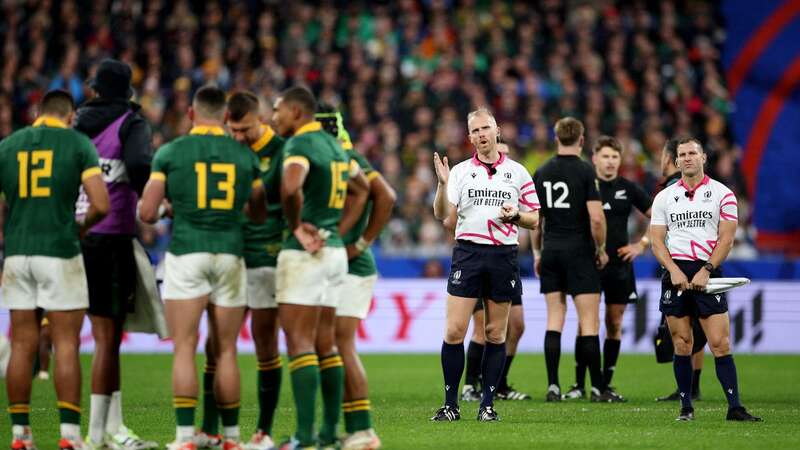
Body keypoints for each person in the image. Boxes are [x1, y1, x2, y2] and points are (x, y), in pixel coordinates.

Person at [139, 85, 267, 450]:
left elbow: (147, 212)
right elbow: (258, 212)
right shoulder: (243, 155)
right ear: (226, 117)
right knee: (225, 350)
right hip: (230, 254)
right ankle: (230, 437)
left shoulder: (171, 152)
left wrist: (171, 208)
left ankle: (184, 438)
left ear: (192, 114)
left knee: (185, 347)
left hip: (188, 252)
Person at [1, 90, 110, 450]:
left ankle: (20, 436)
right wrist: (79, 228)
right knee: (65, 343)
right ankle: (69, 437)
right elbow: (100, 204)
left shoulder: (8, 145)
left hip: (18, 253)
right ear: (71, 116)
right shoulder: (78, 144)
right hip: (60, 251)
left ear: (37, 112)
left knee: (21, 344)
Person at [430, 107, 540, 422]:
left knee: (495, 332)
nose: (481, 135)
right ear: (470, 137)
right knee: (454, 330)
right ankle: (451, 404)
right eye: (475, 131)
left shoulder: (518, 173)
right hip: (468, 253)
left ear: (497, 131)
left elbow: (534, 218)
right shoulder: (461, 172)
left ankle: (487, 404)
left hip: (503, 255)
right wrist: (441, 184)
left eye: (485, 128)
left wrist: (516, 216)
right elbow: (441, 215)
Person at [73, 58, 157, 450]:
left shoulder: (75, 124)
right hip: (111, 236)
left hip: (74, 237)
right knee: (108, 340)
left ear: (95, 90)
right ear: (127, 91)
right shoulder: (130, 123)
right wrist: (146, 194)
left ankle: (113, 427)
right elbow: (140, 162)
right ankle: (96, 436)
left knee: (90, 338)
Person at [649, 137, 760, 422]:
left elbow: (727, 239)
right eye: (682, 154)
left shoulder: (723, 194)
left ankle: (735, 407)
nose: (687, 158)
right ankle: (686, 408)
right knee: (682, 342)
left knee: (719, 343)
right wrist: (672, 269)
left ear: (703, 158)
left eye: (692, 153)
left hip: (707, 270)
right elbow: (657, 241)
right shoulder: (663, 197)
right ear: (676, 161)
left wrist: (707, 268)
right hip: (675, 271)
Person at [272, 86, 354, 450]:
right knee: (327, 344)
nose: (273, 117)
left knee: (300, 342)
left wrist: (297, 227)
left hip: (306, 255)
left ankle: (304, 436)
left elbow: (290, 188)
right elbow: (365, 188)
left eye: (277, 110)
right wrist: (338, 229)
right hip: (334, 251)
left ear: (295, 111)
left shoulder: (300, 145)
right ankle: (328, 433)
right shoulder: (336, 146)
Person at [317, 104, 396, 450]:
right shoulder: (345, 153)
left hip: (350, 264)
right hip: (340, 263)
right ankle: (344, 428)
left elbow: (387, 196)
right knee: (331, 346)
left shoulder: (344, 157)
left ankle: (362, 429)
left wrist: (361, 242)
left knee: (338, 344)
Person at [563, 136, 651, 402]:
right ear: (595, 159)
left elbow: (660, 214)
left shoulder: (628, 188)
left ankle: (605, 384)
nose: (610, 161)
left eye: (615, 157)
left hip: (620, 266)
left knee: (614, 323)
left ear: (620, 160)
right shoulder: (585, 186)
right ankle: (579, 384)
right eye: (606, 156)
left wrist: (642, 244)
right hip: (588, 263)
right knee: (585, 324)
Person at [531, 117, 610, 402]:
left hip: (551, 249)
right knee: (588, 321)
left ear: (556, 138)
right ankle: (598, 387)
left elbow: (534, 222)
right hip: (579, 251)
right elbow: (597, 218)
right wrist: (600, 249)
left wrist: (538, 253)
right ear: (581, 139)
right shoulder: (586, 171)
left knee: (555, 319)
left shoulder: (541, 171)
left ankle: (553, 386)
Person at [460, 144, 531, 403]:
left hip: (506, 261)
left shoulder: (514, 182)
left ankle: (499, 384)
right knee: (482, 328)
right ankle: (470, 385)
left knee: (517, 326)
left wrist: (517, 219)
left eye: (507, 153)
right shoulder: (473, 181)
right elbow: (451, 220)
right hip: (477, 260)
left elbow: (533, 220)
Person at [654, 138, 707, 402]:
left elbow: (657, 230)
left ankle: (687, 388)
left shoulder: (670, 188)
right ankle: (693, 386)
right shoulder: (702, 187)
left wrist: (643, 243)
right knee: (697, 328)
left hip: (677, 264)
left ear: (667, 159)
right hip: (698, 263)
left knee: (682, 332)